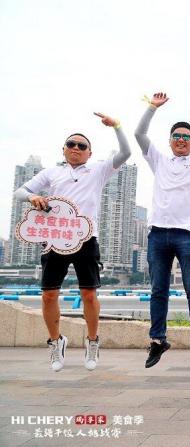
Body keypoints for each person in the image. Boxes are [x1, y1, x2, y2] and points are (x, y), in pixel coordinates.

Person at [13, 112, 131, 372]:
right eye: (71, 144)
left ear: (89, 153)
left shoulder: (98, 170)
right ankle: (56, 341)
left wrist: (117, 126)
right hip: (54, 239)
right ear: (64, 149)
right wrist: (32, 198)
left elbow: (125, 153)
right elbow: (20, 191)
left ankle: (92, 340)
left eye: (82, 146)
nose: (76, 148)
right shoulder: (52, 172)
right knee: (48, 295)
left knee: (88, 293)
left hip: (86, 238)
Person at [135, 92, 190, 369]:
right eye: (176, 136)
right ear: (170, 140)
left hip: (187, 235)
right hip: (157, 235)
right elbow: (139, 134)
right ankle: (158, 340)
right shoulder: (159, 160)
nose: (181, 140)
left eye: (186, 136)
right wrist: (152, 107)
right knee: (158, 290)